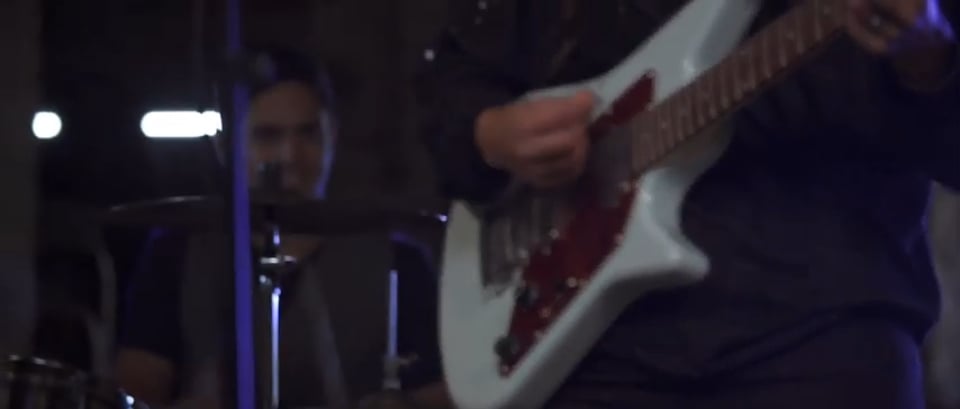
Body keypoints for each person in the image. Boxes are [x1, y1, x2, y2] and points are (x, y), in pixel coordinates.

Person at [415, 0, 960, 408]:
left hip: (824, 328)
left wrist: (932, 62)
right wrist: (488, 132)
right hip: (589, 342)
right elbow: (456, 74)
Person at [115, 47, 451, 409]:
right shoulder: (176, 254)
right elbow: (137, 382)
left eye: (308, 134)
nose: (290, 156)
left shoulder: (398, 260)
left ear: (333, 136)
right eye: (267, 136)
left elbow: (446, 390)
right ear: (225, 145)